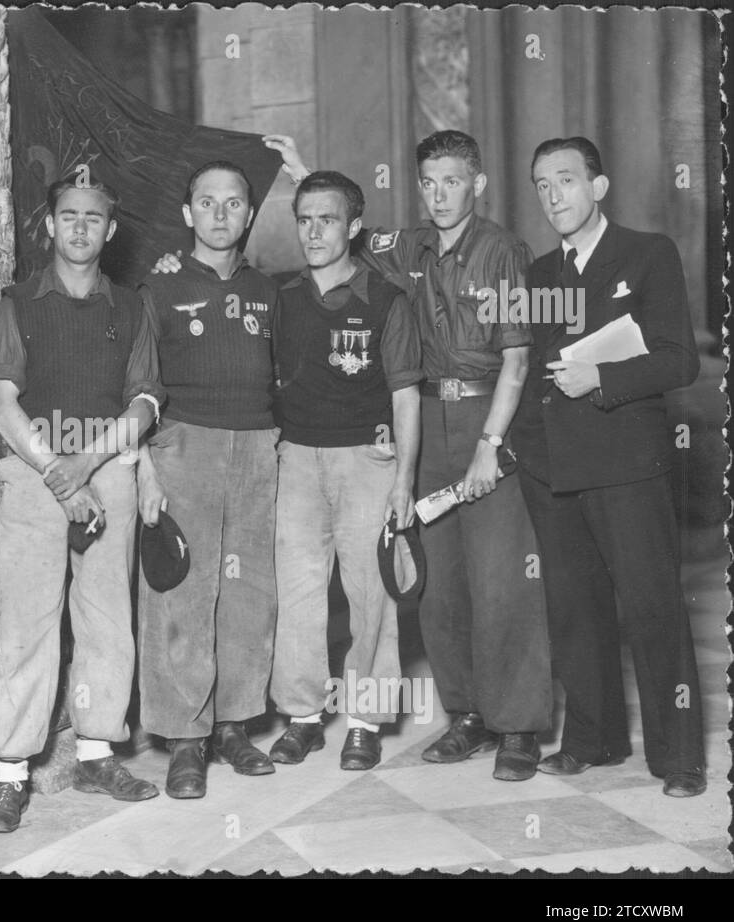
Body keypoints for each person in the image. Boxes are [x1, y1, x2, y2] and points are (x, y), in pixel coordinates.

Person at [268, 130, 551, 782]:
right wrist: (304, 171)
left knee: (502, 577)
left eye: (453, 180)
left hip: (486, 417)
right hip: (425, 417)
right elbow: (348, 234)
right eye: (429, 182)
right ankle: (467, 714)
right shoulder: (415, 246)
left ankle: (519, 725)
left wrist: (490, 445)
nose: (440, 193)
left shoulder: (505, 250)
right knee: (438, 582)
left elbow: (516, 357)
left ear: (476, 184)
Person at [513, 137, 705, 797]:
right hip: (550, 467)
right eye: (541, 184)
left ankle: (679, 758)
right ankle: (592, 737)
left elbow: (680, 358)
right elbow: (522, 364)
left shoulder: (648, 254)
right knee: (573, 609)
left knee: (652, 608)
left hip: (626, 459)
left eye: (565, 179)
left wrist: (603, 375)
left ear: (599, 186)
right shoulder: (537, 276)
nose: (553, 195)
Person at [0, 174, 163, 833]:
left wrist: (87, 463)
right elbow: (3, 401)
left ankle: (95, 750)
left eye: (95, 217)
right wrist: (58, 470)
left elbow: (144, 401)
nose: (81, 227)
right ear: (49, 225)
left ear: (110, 230)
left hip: (106, 464)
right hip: (34, 470)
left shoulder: (132, 307)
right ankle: (9, 771)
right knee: (28, 619)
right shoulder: (19, 303)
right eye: (69, 215)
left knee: (108, 613)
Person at [134, 161, 281, 798]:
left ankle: (234, 725)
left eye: (233, 203)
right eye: (207, 202)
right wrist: (143, 464)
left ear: (249, 214)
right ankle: (184, 738)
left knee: (249, 590)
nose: (220, 214)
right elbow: (137, 384)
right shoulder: (157, 289)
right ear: (188, 214)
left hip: (257, 444)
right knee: (181, 591)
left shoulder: (271, 291)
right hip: (184, 443)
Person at [267, 171, 421, 772]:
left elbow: (406, 395)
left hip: (368, 459)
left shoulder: (385, 299)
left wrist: (404, 478)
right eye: (303, 219)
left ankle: (365, 720)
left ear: (354, 227)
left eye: (326, 219)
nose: (313, 232)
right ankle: (303, 716)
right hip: (298, 461)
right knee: (299, 591)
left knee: (371, 593)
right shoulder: (282, 299)